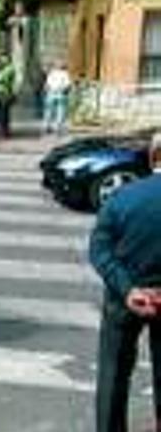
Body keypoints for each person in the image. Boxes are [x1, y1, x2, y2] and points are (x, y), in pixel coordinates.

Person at [89, 133, 161, 432]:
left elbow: (99, 250)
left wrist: (128, 289)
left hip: (123, 299)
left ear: (153, 157)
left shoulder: (122, 197)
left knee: (113, 373)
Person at [43, 62, 72, 135]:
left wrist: (47, 91)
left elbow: (47, 85)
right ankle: (58, 127)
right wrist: (66, 91)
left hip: (51, 93)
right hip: (61, 93)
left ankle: (47, 126)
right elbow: (68, 85)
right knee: (61, 110)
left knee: (49, 110)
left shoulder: (52, 73)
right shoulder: (65, 74)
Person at [0, 57, 16, 139]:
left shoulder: (9, 69)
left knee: (4, 113)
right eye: (1, 59)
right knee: (1, 113)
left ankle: (4, 131)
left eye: (3, 59)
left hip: (5, 94)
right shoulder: (1, 69)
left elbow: (0, 79)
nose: (2, 61)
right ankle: (2, 130)